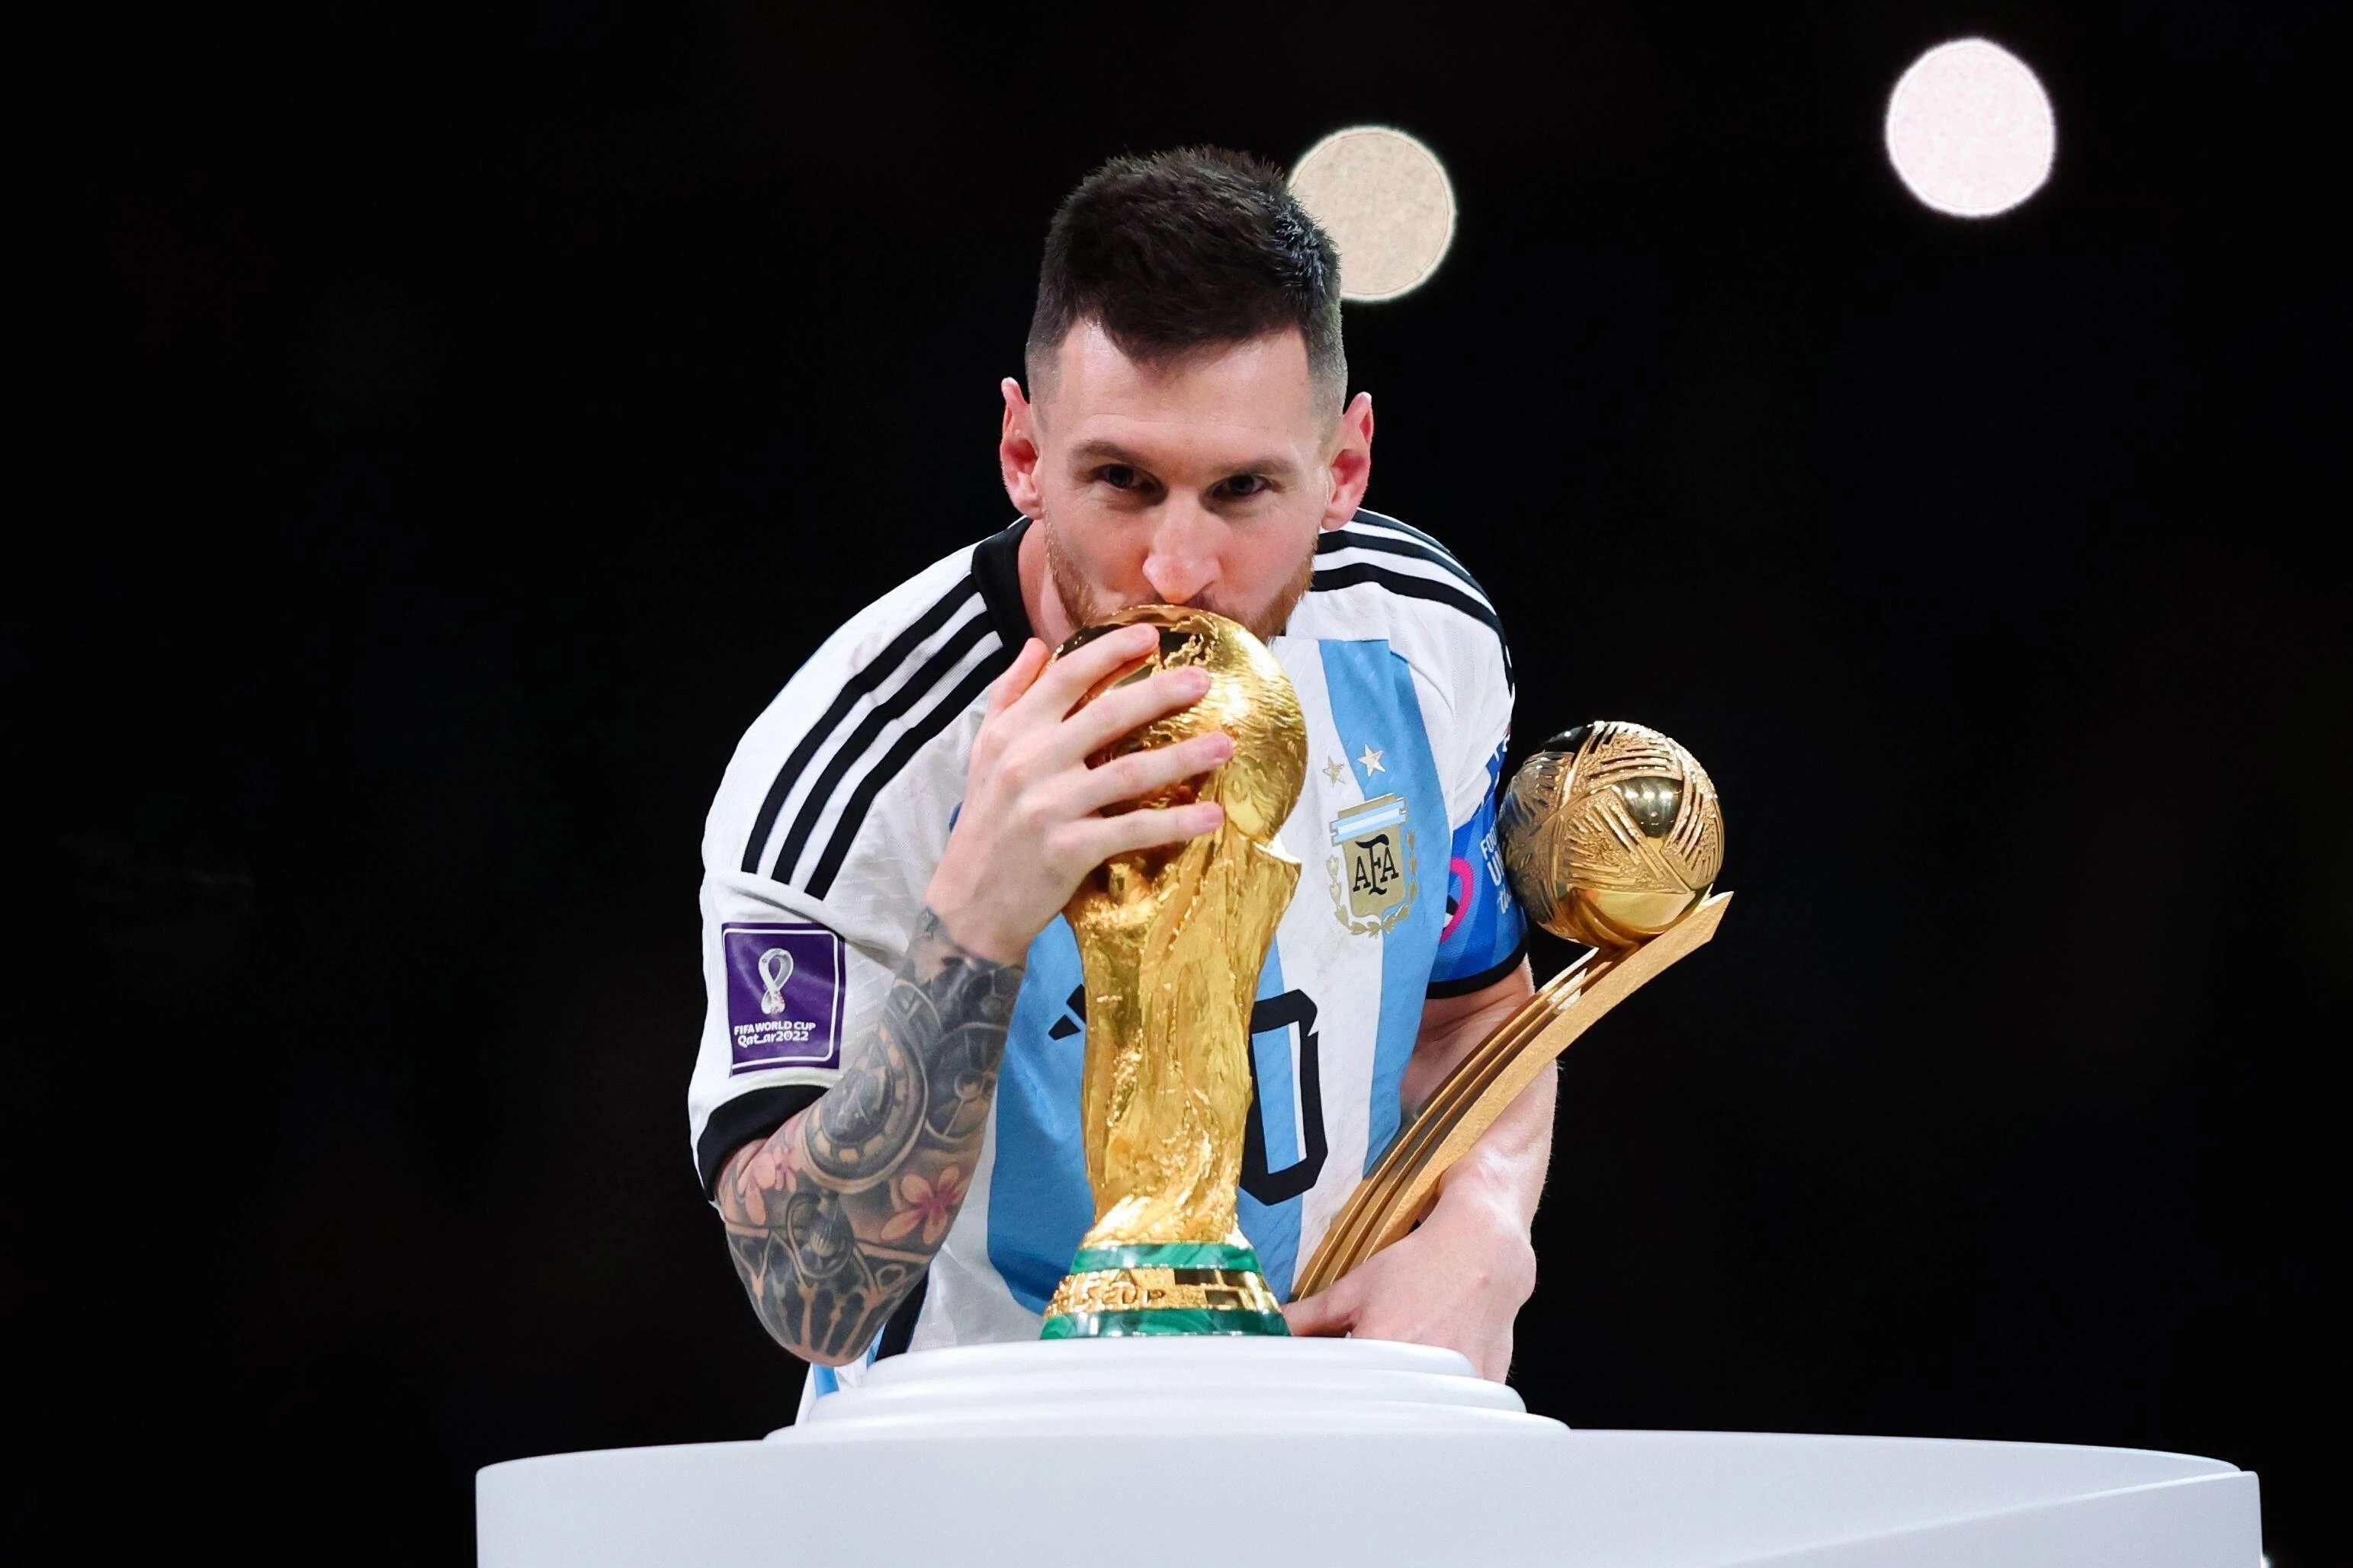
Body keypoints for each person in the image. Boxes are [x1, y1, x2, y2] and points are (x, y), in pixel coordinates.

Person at [688, 146, 1551, 1412]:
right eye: (1121, 483)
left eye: (1245, 489)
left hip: (1328, 1450)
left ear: (1345, 470)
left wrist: (1484, 1231)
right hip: (965, 1491)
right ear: (1023, 452)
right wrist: (975, 916)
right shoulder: (847, 772)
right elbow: (805, 1293)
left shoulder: (1423, 642)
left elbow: (1473, 1011)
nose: (1178, 569)